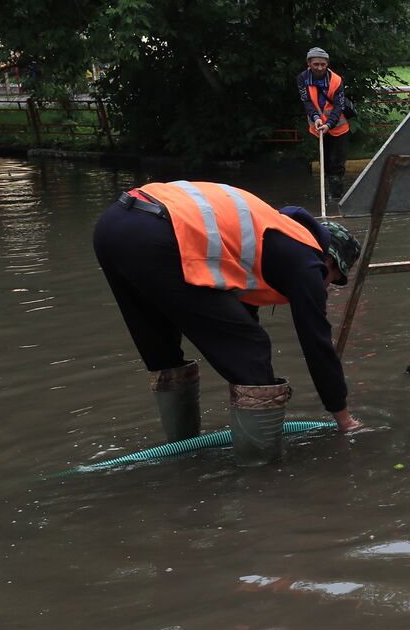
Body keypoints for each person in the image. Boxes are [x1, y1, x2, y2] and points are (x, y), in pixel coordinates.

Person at [92, 181, 364, 465]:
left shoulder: (268, 234)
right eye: (333, 281)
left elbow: (240, 318)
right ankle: (259, 471)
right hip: (158, 234)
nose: (327, 289)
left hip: (113, 226)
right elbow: (316, 343)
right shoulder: (307, 259)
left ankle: (183, 456)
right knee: (253, 348)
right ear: (330, 263)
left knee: (162, 350)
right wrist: (343, 418)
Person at [297, 46, 350, 209]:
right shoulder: (302, 79)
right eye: (316, 64)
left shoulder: (336, 80)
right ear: (309, 63)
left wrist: (329, 123)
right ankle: (329, 196)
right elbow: (306, 101)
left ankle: (336, 198)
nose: (320, 68)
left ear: (327, 64)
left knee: (337, 164)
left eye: (323, 64)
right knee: (326, 163)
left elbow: (339, 106)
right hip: (318, 127)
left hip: (338, 127)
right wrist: (316, 118)